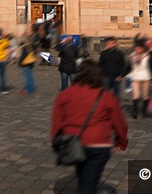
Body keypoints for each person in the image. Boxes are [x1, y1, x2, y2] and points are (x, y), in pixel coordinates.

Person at [51, 59, 128, 194]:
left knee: (84, 177)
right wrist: (121, 142)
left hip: (74, 143)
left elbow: (56, 123)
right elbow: (119, 123)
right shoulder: (106, 96)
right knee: (88, 183)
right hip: (98, 145)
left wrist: (56, 144)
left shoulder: (65, 94)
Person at [128, 41, 152, 118]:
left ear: (142, 49)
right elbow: (128, 67)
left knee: (145, 95)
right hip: (135, 77)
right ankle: (135, 113)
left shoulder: (147, 56)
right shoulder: (132, 56)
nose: (137, 50)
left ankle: (144, 112)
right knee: (136, 95)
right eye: (136, 49)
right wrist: (122, 75)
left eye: (139, 49)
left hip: (146, 77)